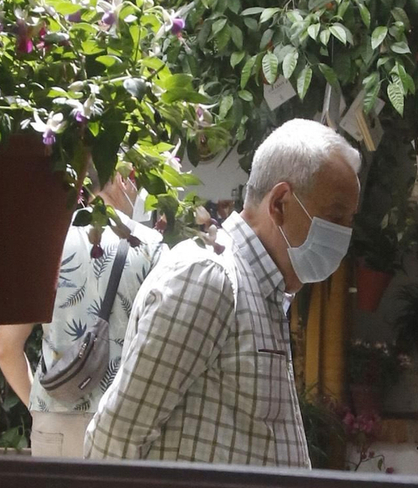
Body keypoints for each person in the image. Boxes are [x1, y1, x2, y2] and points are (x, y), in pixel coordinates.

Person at [85, 116, 361, 468]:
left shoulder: (262, 291)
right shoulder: (210, 278)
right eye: (335, 217)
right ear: (279, 203)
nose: (344, 234)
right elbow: (116, 438)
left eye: (349, 221)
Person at [0, 170, 164, 459]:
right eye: (136, 178)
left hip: (55, 424)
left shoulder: (47, 241)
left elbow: (6, 348)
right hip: (127, 426)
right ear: (121, 177)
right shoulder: (152, 247)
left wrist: (43, 407)